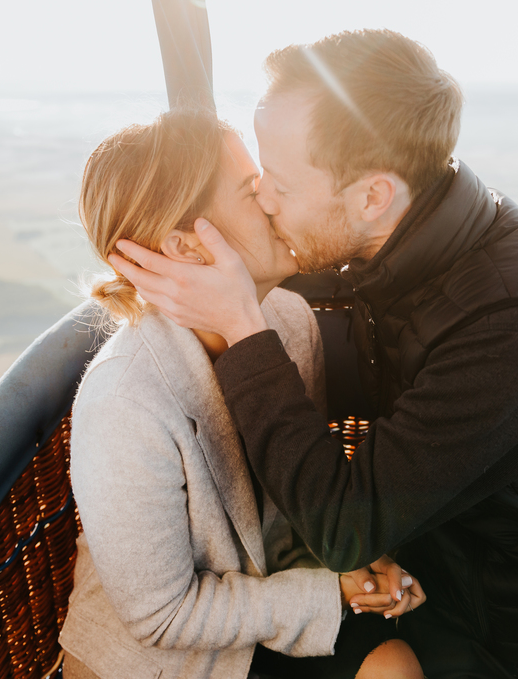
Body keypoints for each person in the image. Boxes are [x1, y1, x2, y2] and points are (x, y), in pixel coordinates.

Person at [111, 30, 518, 679]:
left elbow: (343, 529)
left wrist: (244, 326)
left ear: (372, 196)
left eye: (276, 183)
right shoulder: (407, 243)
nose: (264, 201)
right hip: (436, 591)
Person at [57, 107, 426, 679]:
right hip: (169, 658)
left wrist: (355, 556)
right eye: (254, 192)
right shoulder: (122, 402)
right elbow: (161, 617)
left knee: (395, 666)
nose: (277, 202)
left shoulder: (289, 319)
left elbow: (296, 490)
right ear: (186, 247)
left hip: (266, 602)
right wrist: (329, 594)